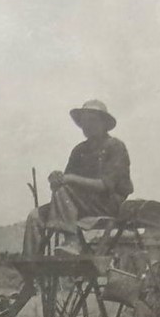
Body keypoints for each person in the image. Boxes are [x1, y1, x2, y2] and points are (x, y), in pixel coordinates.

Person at [22, 100, 134, 257]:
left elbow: (104, 185)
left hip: (106, 203)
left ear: (104, 124)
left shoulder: (115, 146)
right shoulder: (79, 150)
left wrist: (68, 179)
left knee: (65, 189)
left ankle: (72, 241)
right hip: (78, 204)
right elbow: (65, 185)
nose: (87, 125)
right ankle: (30, 263)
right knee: (35, 216)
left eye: (92, 120)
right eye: (84, 121)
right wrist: (57, 179)